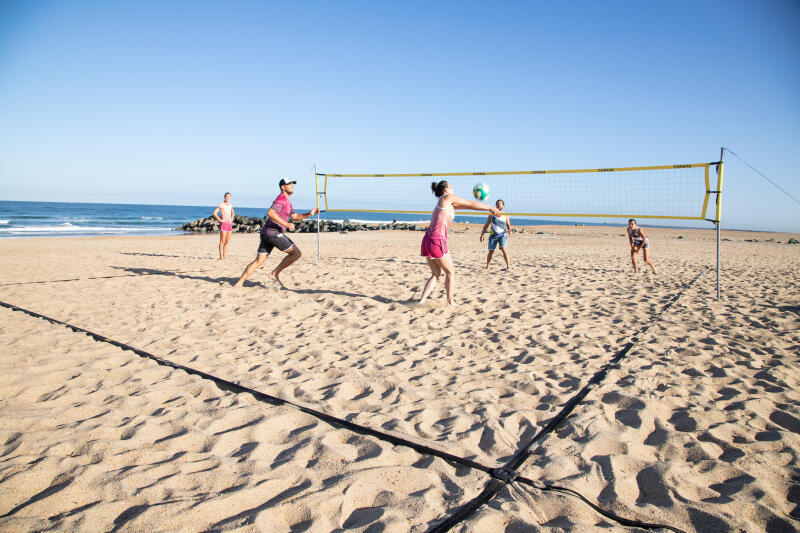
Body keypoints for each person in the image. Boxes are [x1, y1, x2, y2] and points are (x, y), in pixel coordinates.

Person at [419, 181, 500, 306]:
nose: (453, 188)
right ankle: (451, 302)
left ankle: (422, 301)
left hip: (427, 239)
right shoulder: (448, 198)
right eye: (451, 186)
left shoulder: (446, 203)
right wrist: (490, 208)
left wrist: (486, 209)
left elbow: (470, 206)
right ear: (446, 190)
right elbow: (471, 203)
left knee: (435, 274)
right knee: (450, 273)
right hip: (436, 240)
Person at [233, 179, 318, 288]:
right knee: (296, 253)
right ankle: (274, 273)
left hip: (266, 233)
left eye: (293, 184)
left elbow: (295, 217)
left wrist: (310, 214)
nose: (292, 185)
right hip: (273, 232)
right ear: (283, 187)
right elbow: (270, 213)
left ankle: (239, 283)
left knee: (259, 260)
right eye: (289, 184)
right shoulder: (281, 199)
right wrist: (286, 224)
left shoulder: (287, 202)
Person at [480, 199, 512, 269]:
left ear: (503, 206)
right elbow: (487, 224)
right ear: (496, 205)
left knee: (504, 249)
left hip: (502, 235)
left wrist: (510, 230)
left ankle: (508, 266)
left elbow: (508, 224)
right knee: (491, 251)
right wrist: (482, 234)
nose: (499, 204)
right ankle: (488, 266)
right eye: (497, 203)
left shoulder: (506, 215)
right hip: (493, 235)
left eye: (500, 203)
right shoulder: (492, 214)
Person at [212, 192, 235, 260]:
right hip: (224, 224)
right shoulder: (221, 205)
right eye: (227, 196)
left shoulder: (230, 205)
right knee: (222, 241)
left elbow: (233, 212)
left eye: (229, 197)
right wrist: (220, 220)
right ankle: (221, 256)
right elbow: (214, 213)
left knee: (227, 241)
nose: (228, 198)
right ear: (224, 197)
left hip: (229, 224)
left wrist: (232, 218)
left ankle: (225, 255)